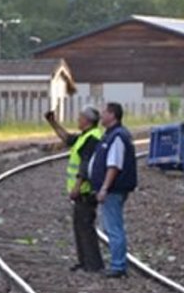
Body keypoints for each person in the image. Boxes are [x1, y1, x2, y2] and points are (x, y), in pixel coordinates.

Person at [45, 106, 104, 273]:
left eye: (80, 117)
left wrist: (77, 186)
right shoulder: (85, 137)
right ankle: (85, 262)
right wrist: (53, 123)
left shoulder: (92, 138)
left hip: (85, 191)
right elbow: (67, 138)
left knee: (85, 227)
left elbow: (85, 166)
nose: (78, 120)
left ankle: (92, 265)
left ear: (87, 120)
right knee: (80, 226)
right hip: (82, 192)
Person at [88, 102, 137, 278]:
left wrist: (104, 188)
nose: (101, 115)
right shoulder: (112, 135)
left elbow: (114, 165)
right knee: (111, 227)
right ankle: (117, 263)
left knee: (114, 227)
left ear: (112, 115)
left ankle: (118, 266)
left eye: (104, 112)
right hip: (113, 189)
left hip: (113, 190)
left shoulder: (117, 137)